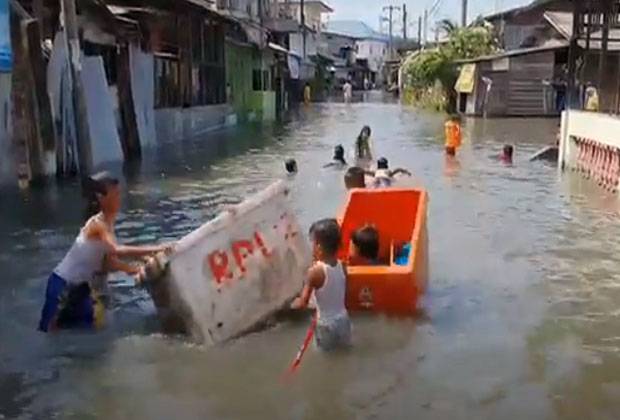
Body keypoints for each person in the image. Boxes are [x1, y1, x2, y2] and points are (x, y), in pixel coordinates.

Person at [38, 172, 172, 333]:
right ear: (101, 198)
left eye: (119, 193)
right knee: (51, 335)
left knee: (86, 332)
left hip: (80, 290)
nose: (119, 198)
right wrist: (158, 248)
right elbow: (116, 250)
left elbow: (108, 263)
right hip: (61, 285)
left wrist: (137, 268)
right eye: (115, 194)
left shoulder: (107, 225)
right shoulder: (97, 224)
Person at [291, 219, 351, 351]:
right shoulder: (343, 266)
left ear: (318, 246)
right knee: (344, 354)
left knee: (326, 358)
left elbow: (302, 303)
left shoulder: (314, 273)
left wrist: (290, 305)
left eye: (312, 242)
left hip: (326, 326)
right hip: (343, 320)